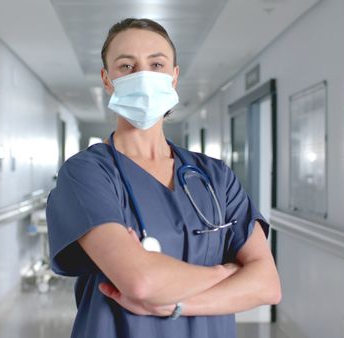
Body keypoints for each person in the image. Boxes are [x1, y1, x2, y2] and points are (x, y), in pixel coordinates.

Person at [46, 18, 281, 338]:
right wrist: (225, 271)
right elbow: (141, 282)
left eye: (156, 64)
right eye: (127, 66)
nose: (143, 76)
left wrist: (175, 305)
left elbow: (267, 285)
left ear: (174, 77)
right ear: (106, 79)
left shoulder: (215, 176)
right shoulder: (86, 173)